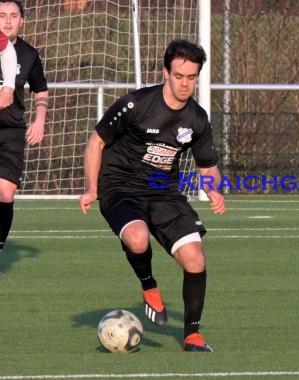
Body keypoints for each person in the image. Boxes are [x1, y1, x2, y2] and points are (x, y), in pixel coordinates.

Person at [79, 39, 225, 352]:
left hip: (162, 191)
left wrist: (214, 190)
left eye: (191, 77)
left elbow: (208, 166)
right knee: (137, 238)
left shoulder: (197, 119)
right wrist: (92, 188)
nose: (185, 83)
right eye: (179, 76)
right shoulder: (135, 104)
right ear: (165, 73)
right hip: (119, 185)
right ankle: (149, 287)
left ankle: (192, 335)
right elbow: (96, 143)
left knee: (195, 259)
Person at [0, 0, 48, 254]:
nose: (7, 21)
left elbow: (40, 90)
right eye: (2, 15)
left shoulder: (29, 54)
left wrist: (39, 119)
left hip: (11, 131)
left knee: (6, 195)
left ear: (22, 21)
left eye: (13, 16)